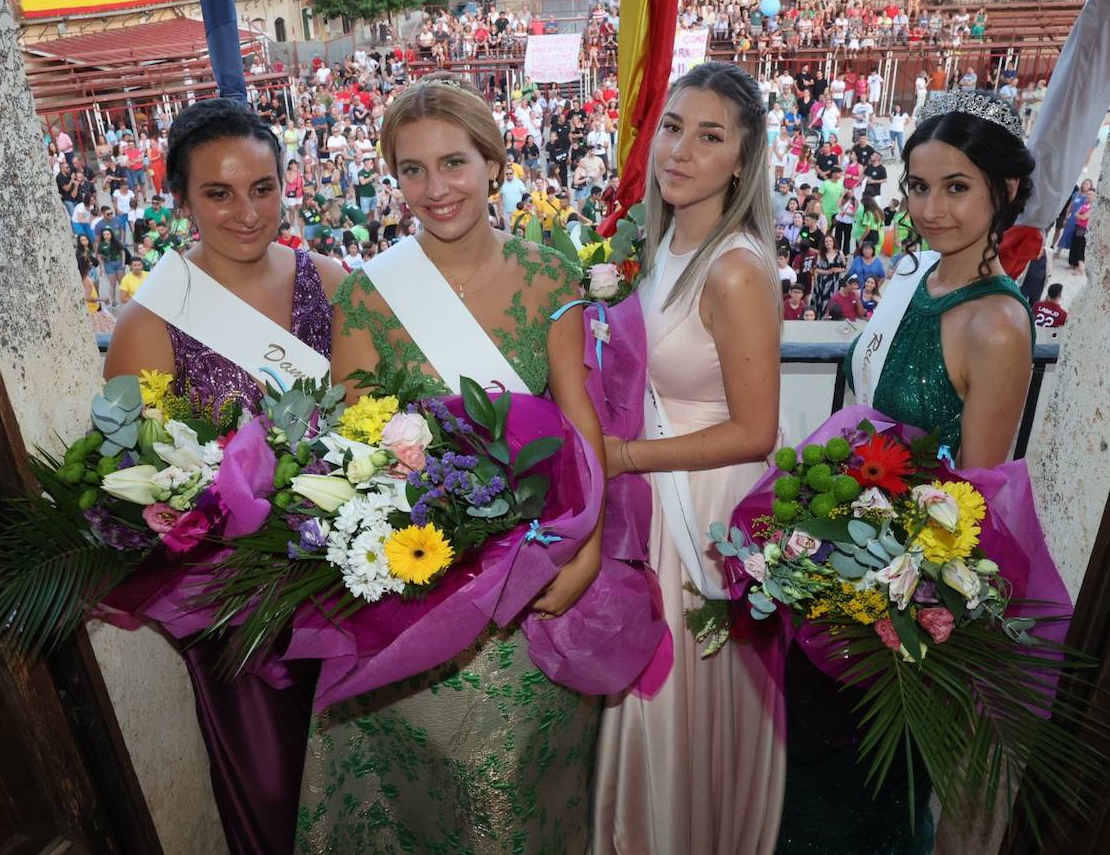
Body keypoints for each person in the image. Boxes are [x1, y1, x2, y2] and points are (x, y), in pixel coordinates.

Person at [298, 73, 607, 853]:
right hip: (415, 582)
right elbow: (353, 440)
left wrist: (590, 543)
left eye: (454, 163)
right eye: (411, 169)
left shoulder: (550, 278)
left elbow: (579, 420)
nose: (435, 188)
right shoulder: (370, 293)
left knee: (516, 794)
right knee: (419, 799)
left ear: (494, 163)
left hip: (530, 575)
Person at [785, 89, 1036, 854]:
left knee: (872, 796)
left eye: (957, 187)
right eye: (920, 186)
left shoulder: (996, 325)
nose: (932, 209)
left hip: (903, 596)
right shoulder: (915, 278)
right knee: (813, 781)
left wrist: (890, 593)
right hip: (847, 564)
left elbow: (975, 496)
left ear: (1007, 192)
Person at [103, 98, 344, 855]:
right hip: (240, 616)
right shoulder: (148, 325)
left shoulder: (334, 284)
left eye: (264, 188)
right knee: (276, 795)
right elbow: (126, 476)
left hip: (348, 586)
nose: (248, 212)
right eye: (219, 192)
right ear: (179, 200)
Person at [595, 60, 785, 855]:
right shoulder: (657, 240)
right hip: (648, 483)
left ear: (742, 160)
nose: (679, 150)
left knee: (673, 692)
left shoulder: (737, 270)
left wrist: (626, 454)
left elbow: (756, 431)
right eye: (673, 127)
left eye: (709, 137)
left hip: (704, 506)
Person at [812, 233, 846, 317]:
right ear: (824, 244)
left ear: (833, 242)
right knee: (823, 300)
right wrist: (828, 272)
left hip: (835, 281)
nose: (828, 243)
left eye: (830, 241)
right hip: (823, 282)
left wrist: (837, 270)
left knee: (833, 300)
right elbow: (816, 269)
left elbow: (844, 268)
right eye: (826, 241)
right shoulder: (821, 254)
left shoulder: (839, 253)